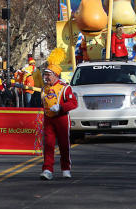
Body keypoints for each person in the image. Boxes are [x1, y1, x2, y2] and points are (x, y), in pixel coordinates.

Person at [40, 49, 78, 181]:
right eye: (45, 75)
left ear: (56, 75)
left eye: (48, 75)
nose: (46, 77)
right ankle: (47, 169)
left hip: (61, 118)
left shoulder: (65, 87)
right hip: (48, 119)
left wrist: (61, 107)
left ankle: (66, 169)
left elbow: (74, 103)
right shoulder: (44, 89)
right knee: (48, 145)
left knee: (63, 145)